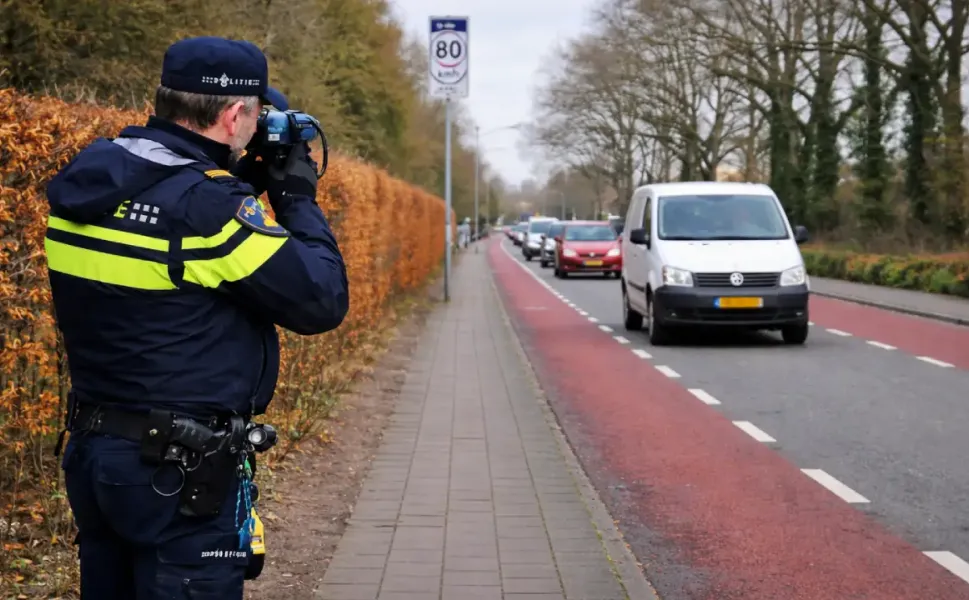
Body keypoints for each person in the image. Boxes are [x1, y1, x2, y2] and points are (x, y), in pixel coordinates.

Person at [44, 36, 349, 599]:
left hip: (95, 455)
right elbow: (321, 299)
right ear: (235, 115)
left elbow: (167, 257)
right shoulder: (210, 210)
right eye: (256, 119)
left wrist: (242, 180)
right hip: (177, 473)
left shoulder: (90, 179)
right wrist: (296, 195)